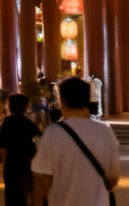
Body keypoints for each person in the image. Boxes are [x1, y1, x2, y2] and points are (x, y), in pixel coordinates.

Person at [31, 77, 120, 206]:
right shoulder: (105, 132)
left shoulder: (53, 134)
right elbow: (113, 178)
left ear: (62, 100)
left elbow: (41, 180)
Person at [0, 92, 39, 206]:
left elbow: (2, 147)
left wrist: (2, 165)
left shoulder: (8, 122)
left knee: (11, 193)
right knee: (25, 193)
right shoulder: (30, 124)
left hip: (11, 161)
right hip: (27, 162)